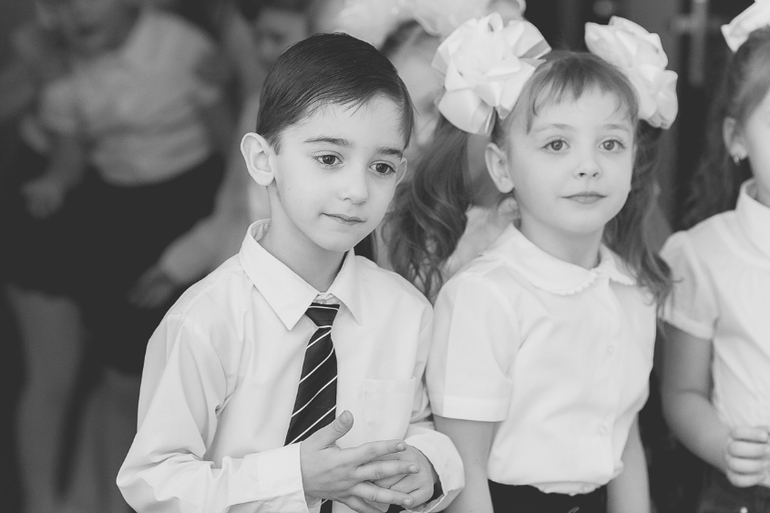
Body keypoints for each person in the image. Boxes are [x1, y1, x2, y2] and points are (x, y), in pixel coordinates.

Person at [117, 32, 463, 513]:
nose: (357, 190)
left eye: (382, 167)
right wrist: (294, 478)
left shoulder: (406, 311)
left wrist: (428, 462)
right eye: (329, 159)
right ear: (263, 160)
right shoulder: (206, 321)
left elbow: (419, 424)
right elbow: (154, 482)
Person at [409, 14, 675, 512]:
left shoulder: (632, 289)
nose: (588, 165)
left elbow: (625, 442)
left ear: (634, 160)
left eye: (611, 144)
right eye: (557, 144)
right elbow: (464, 466)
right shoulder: (484, 297)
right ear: (502, 167)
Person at [19, 1, 233, 511]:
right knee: (117, 368)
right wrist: (55, 181)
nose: (75, 14)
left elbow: (231, 147)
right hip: (113, 211)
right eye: (61, 5)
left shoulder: (183, 49)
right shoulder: (61, 62)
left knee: (172, 377)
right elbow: (70, 151)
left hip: (186, 204)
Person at [660, 3, 770, 511]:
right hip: (743, 496)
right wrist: (724, 447)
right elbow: (682, 392)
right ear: (736, 139)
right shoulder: (703, 254)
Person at [0, 5, 83, 513]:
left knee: (119, 374)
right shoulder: (34, 32)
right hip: (43, 208)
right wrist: (35, 71)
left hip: (130, 208)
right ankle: (39, 502)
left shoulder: (176, 40)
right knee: (51, 372)